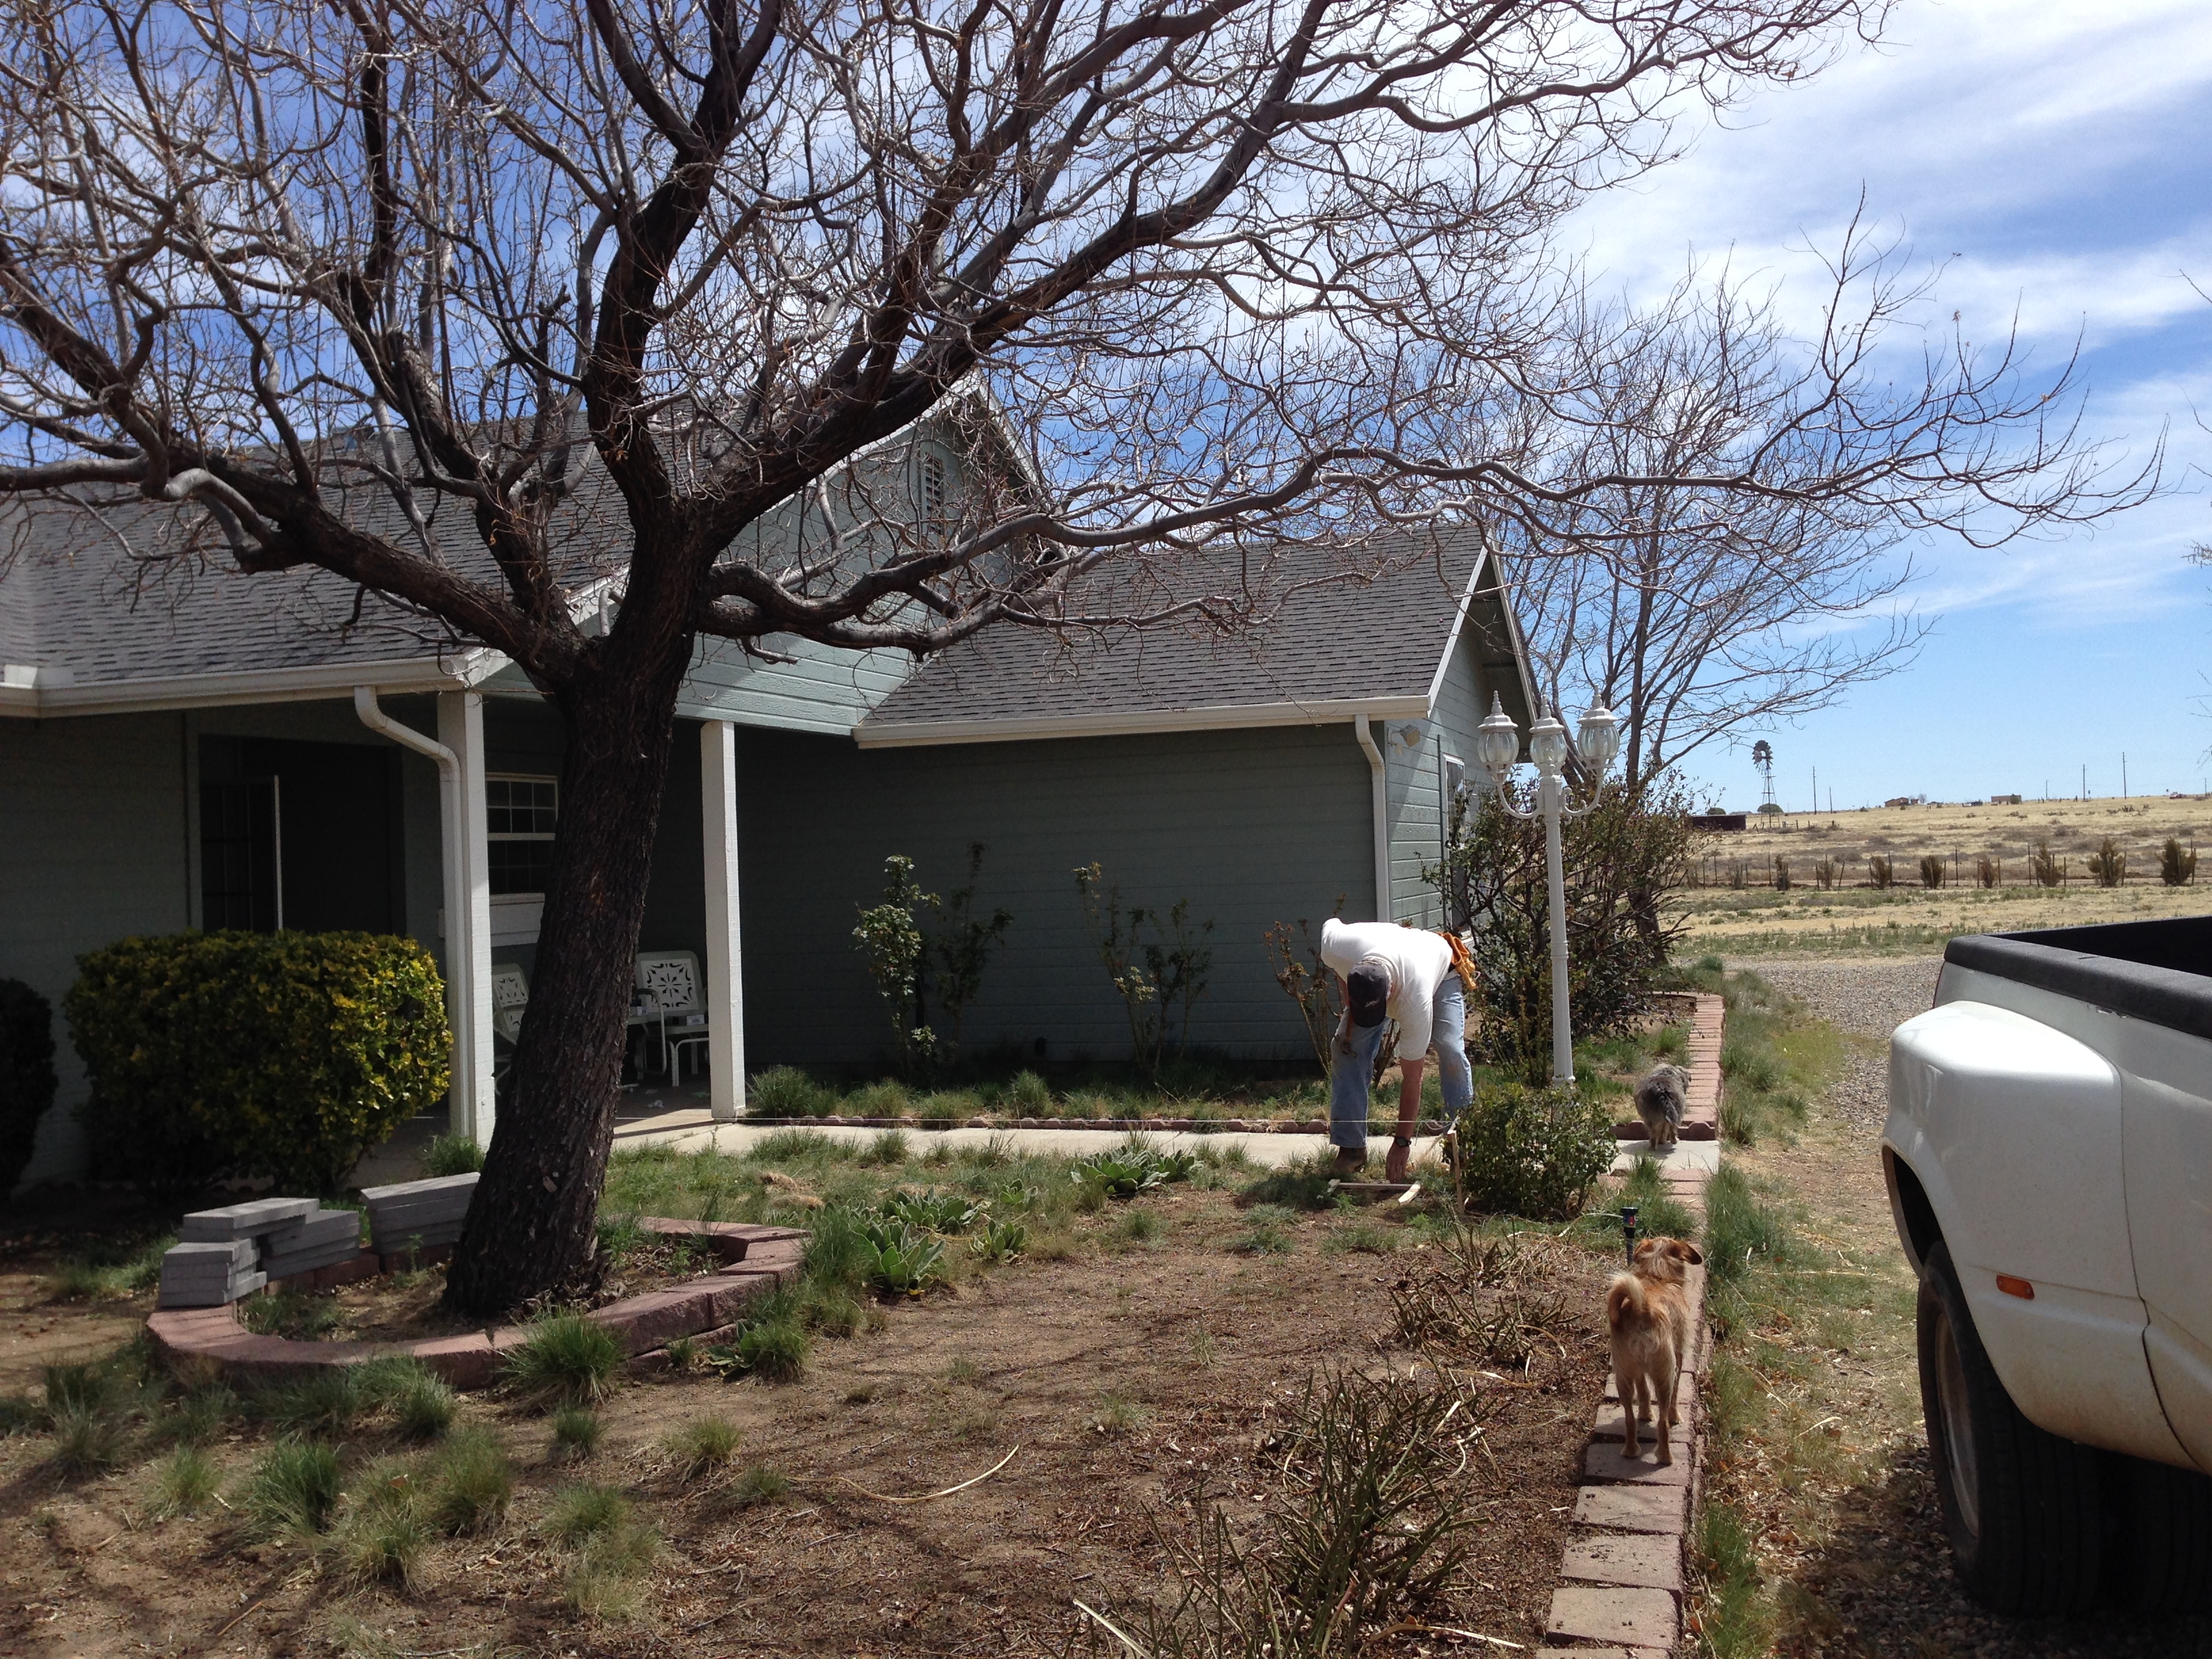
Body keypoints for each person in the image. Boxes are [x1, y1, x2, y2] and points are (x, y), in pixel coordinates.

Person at [1317, 918, 1477, 1181]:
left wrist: (1402, 1142)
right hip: (1392, 956)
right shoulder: (1337, 946)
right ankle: (1351, 1149)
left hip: (1439, 969)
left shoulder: (1416, 998)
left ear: (1390, 991)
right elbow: (1330, 924)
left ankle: (1462, 1147)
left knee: (1450, 1048)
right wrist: (1348, 993)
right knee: (1346, 1048)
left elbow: (1413, 1077)